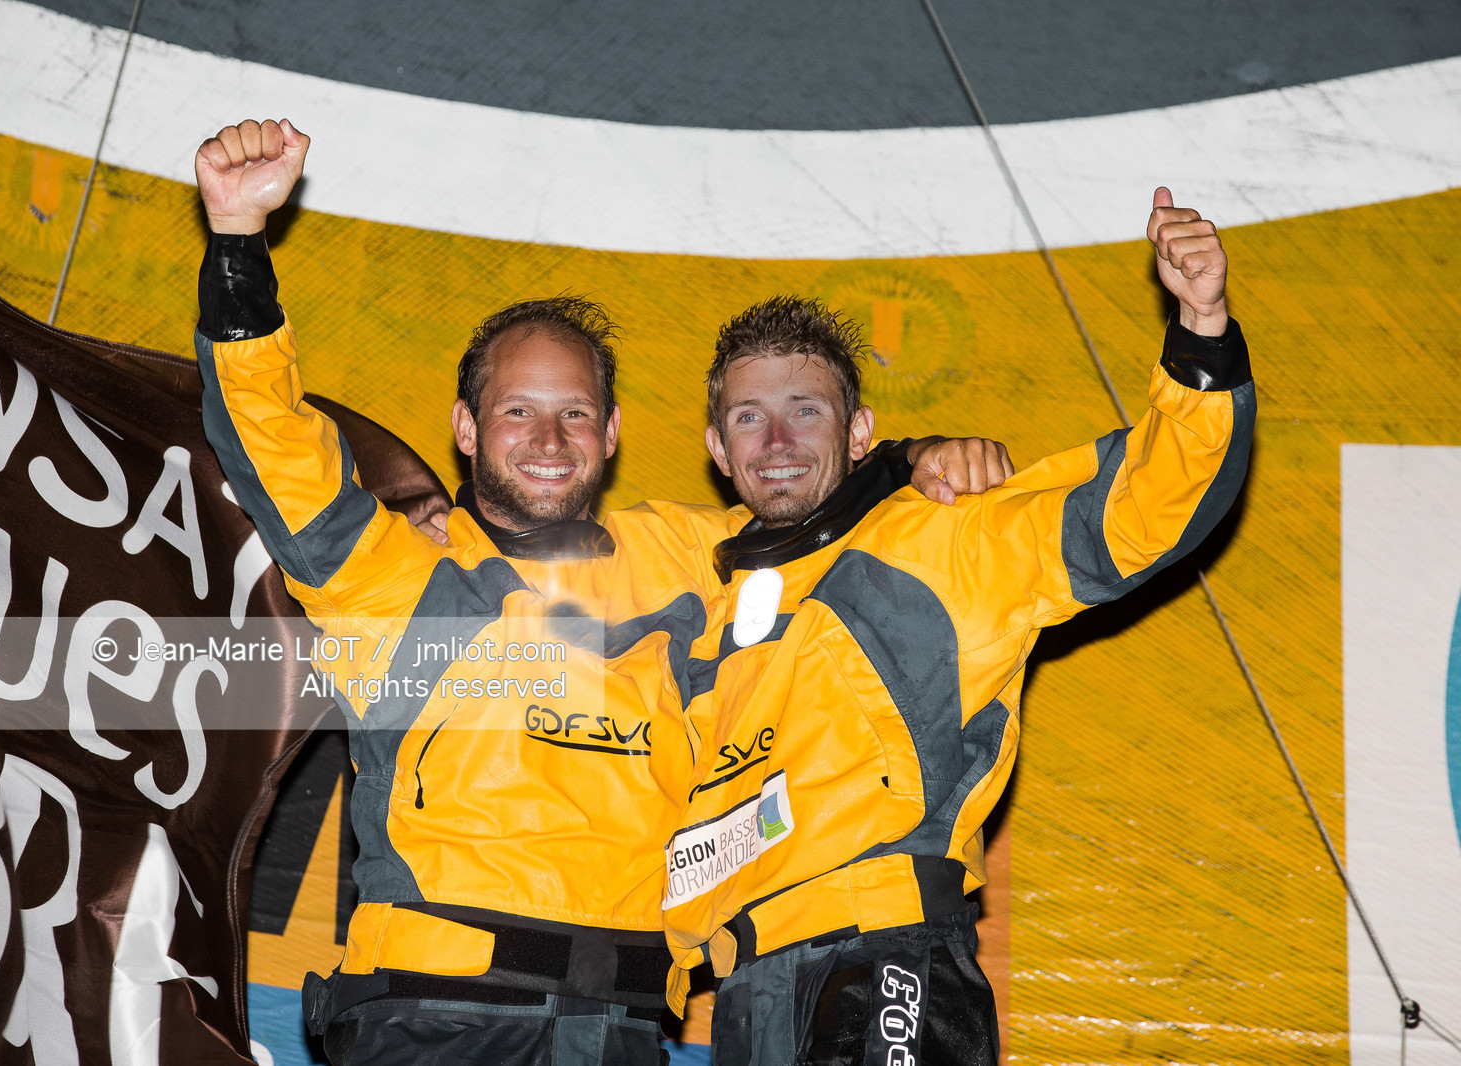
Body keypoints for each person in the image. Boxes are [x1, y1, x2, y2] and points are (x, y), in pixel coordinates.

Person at [191, 117, 1009, 1065]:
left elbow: (812, 496)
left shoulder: (696, 558)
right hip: (430, 1022)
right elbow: (270, 443)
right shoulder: (393, 572)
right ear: (465, 426)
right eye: (518, 413)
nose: (549, 440)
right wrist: (239, 246)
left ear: (612, 432)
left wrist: (914, 458)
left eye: (575, 412)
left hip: (621, 1033)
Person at [661, 190, 1253, 1066]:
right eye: (750, 416)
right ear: (718, 445)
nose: (777, 438)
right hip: (747, 997)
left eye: (807, 410)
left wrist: (1202, 333)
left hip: (886, 955)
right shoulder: (698, 593)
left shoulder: (940, 537)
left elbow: (1139, 508)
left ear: (859, 431)